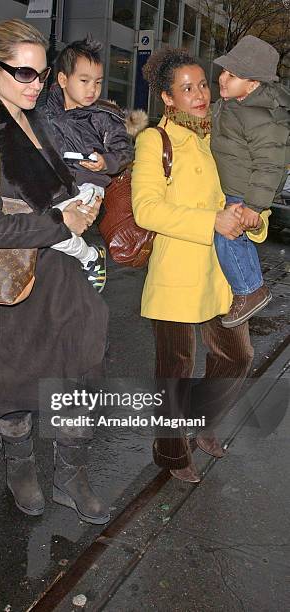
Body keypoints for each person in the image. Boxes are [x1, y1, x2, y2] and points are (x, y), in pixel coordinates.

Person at [0, 19, 110, 524]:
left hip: (60, 273)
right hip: (8, 281)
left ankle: (70, 474)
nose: (36, 85)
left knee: (79, 371)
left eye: (41, 74)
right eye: (23, 73)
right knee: (11, 385)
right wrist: (61, 219)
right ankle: (20, 470)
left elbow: (63, 193)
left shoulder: (42, 122)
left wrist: (83, 203)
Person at [132, 48, 270, 483]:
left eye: (202, 84)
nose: (199, 94)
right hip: (176, 274)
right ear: (168, 98)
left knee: (237, 356)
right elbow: (147, 210)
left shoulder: (222, 135)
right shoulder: (156, 140)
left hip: (220, 275)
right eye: (186, 88)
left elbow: (244, 193)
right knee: (175, 370)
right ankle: (171, 453)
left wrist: (255, 220)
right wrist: (210, 221)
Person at [44, 36, 137, 292]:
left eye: (97, 82)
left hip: (88, 184)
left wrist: (105, 162)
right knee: (45, 229)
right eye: (84, 81)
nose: (92, 89)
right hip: (53, 187)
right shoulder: (42, 111)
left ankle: (89, 257)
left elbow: (124, 151)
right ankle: (88, 257)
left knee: (52, 230)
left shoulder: (103, 116)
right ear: (63, 80)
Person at [211, 35, 290, 328]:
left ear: (254, 84)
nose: (223, 78)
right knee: (234, 240)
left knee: (227, 239)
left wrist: (255, 206)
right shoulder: (234, 104)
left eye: (233, 75)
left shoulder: (261, 115)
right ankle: (250, 287)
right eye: (223, 71)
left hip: (245, 191)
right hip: (236, 187)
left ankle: (250, 290)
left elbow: (270, 162)